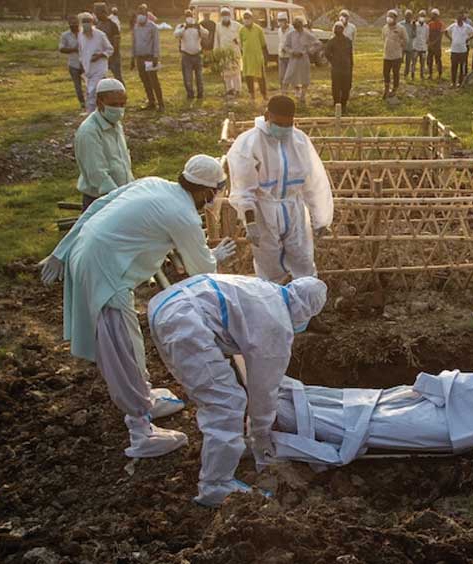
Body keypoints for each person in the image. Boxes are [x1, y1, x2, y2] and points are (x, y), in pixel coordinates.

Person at [38, 154, 238, 460]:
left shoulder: (154, 183)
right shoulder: (184, 216)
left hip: (92, 254)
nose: (217, 199)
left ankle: (143, 398)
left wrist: (62, 250)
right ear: (206, 191)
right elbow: (201, 270)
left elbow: (96, 207)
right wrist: (215, 257)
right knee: (122, 349)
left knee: (130, 342)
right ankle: (141, 432)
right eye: (218, 192)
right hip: (105, 271)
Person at [149, 274, 327, 507]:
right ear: (306, 312)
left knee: (220, 394)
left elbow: (246, 353)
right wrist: (262, 434)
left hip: (166, 303)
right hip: (186, 320)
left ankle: (228, 446)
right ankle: (215, 485)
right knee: (226, 402)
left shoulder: (265, 290)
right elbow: (264, 389)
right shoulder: (277, 324)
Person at [226, 95, 333, 281]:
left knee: (303, 259)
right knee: (268, 263)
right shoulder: (249, 143)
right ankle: (274, 303)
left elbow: (314, 182)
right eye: (279, 124)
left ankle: (305, 304)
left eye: (288, 125)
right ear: (268, 116)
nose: (284, 129)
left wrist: (321, 218)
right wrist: (250, 222)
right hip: (263, 212)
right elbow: (243, 188)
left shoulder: (299, 141)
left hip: (293, 209)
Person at [74, 78, 134, 211]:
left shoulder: (116, 125)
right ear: (99, 103)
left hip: (121, 196)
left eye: (122, 104)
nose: (118, 109)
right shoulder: (89, 132)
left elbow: (122, 161)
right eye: (113, 104)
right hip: (102, 200)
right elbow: (97, 173)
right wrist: (118, 200)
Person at [77, 12, 114, 113]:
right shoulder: (80, 35)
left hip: (99, 68)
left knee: (92, 91)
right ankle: (101, 110)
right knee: (92, 90)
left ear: (92, 22)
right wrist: (81, 65)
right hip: (87, 69)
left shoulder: (100, 35)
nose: (86, 24)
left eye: (88, 21)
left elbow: (110, 49)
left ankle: (91, 113)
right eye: (84, 21)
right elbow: (81, 51)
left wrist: (99, 55)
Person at [132, 4, 163, 111]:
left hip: (150, 58)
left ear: (146, 14)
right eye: (139, 13)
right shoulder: (136, 26)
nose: (141, 15)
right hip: (139, 58)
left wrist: (155, 57)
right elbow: (134, 42)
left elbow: (156, 43)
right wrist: (133, 58)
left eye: (143, 13)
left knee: (154, 81)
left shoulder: (152, 27)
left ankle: (161, 103)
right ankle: (151, 102)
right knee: (145, 81)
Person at [282, 17, 317, 106]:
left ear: (302, 24)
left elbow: (318, 43)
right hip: (293, 59)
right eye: (295, 25)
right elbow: (285, 46)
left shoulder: (307, 34)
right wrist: (292, 52)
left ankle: (302, 97)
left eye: (298, 24)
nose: (297, 27)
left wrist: (309, 51)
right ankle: (283, 97)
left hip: (303, 59)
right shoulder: (291, 34)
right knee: (287, 78)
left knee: (305, 78)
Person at [174, 9, 208, 101]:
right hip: (186, 56)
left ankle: (200, 94)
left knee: (199, 77)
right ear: (185, 17)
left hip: (197, 55)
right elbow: (176, 34)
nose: (189, 17)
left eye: (190, 15)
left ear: (193, 16)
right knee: (187, 77)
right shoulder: (181, 26)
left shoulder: (197, 26)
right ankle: (190, 94)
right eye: (187, 16)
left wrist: (199, 28)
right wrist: (185, 28)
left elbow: (206, 34)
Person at [324, 22, 353, 113]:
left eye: (340, 28)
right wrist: (333, 61)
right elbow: (327, 53)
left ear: (343, 29)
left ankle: (343, 104)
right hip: (336, 68)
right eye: (337, 28)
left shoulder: (348, 41)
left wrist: (351, 65)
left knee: (346, 87)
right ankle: (337, 104)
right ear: (334, 30)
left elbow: (350, 54)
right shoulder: (331, 41)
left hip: (346, 68)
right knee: (336, 87)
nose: (338, 30)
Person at [240, 10, 268, 101]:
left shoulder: (258, 29)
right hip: (247, 58)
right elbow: (241, 44)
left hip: (257, 57)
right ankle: (252, 95)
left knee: (261, 77)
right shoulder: (241, 30)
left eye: (248, 18)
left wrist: (265, 58)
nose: (246, 20)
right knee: (248, 77)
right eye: (245, 18)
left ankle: (264, 94)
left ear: (252, 19)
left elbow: (263, 45)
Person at [59, 16, 86, 109]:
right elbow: (61, 49)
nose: (73, 26)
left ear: (78, 24)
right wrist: (74, 49)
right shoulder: (65, 35)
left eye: (75, 24)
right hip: (73, 64)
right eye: (71, 24)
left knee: (90, 84)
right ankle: (82, 103)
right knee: (78, 87)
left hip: (86, 64)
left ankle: (92, 101)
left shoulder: (84, 33)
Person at [215, 7, 243, 97]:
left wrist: (238, 41)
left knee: (236, 72)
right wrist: (216, 52)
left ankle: (237, 89)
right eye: (223, 15)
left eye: (226, 15)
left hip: (235, 52)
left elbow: (243, 36)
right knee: (226, 72)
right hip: (224, 53)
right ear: (221, 16)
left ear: (230, 15)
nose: (225, 17)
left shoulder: (237, 25)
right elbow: (217, 40)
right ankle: (229, 89)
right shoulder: (218, 26)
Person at [382, 10, 408, 99]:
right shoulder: (384, 27)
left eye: (391, 16)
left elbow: (406, 40)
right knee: (386, 73)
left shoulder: (401, 28)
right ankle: (386, 90)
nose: (389, 18)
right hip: (386, 55)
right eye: (388, 16)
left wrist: (400, 46)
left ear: (395, 18)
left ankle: (395, 90)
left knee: (395, 73)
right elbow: (383, 38)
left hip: (396, 56)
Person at [94, 2, 122, 83]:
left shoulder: (113, 25)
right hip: (101, 57)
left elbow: (116, 43)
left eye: (98, 14)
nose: (96, 16)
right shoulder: (98, 25)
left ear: (104, 12)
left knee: (118, 78)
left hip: (113, 57)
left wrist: (110, 55)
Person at [446, 13, 473, 87]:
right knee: (454, 67)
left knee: (462, 67)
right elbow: (446, 31)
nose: (458, 21)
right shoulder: (453, 26)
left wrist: (468, 39)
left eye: (460, 20)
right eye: (457, 20)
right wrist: (450, 39)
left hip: (462, 50)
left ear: (462, 20)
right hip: (454, 50)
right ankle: (453, 82)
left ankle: (460, 82)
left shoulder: (466, 26)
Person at [427, 8, 445, 80]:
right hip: (430, 46)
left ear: (437, 15)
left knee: (438, 60)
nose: (433, 16)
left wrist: (433, 43)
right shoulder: (429, 24)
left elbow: (440, 36)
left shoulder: (441, 24)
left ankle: (440, 74)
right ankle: (430, 74)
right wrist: (429, 43)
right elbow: (428, 34)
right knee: (429, 61)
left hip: (437, 46)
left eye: (434, 15)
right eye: (432, 15)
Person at [274, 12, 290, 91]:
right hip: (281, 55)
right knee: (281, 76)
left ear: (286, 21)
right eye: (279, 21)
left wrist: (287, 49)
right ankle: (283, 91)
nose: (280, 22)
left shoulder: (292, 30)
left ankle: (298, 91)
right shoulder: (279, 30)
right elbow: (281, 41)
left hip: (290, 56)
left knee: (292, 75)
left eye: (281, 21)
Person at [412, 10, 429, 79]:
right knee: (414, 62)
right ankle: (412, 74)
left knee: (422, 63)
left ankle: (422, 75)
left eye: (423, 16)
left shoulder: (427, 27)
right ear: (418, 16)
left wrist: (425, 44)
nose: (422, 17)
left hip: (423, 47)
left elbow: (427, 36)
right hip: (415, 46)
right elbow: (412, 34)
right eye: (421, 16)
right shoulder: (414, 25)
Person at [401, 9, 417, 81]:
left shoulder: (413, 25)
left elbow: (414, 35)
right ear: (405, 16)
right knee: (399, 61)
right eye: (407, 15)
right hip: (401, 46)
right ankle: (397, 74)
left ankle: (406, 75)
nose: (408, 17)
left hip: (409, 46)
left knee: (408, 62)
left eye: (410, 16)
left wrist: (414, 28)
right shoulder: (400, 24)